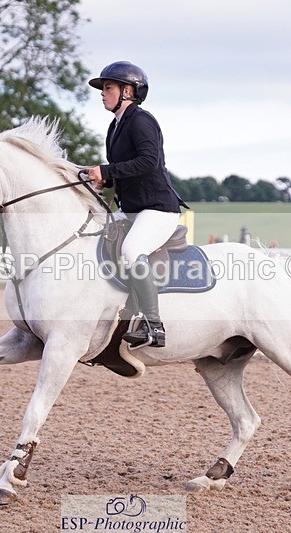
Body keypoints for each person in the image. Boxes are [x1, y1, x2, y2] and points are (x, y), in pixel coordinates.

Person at [87, 61, 187, 348]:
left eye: (108, 88)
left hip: (156, 208)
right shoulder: (114, 127)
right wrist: (103, 179)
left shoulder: (142, 120)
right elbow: (123, 168)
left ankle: (153, 325)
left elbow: (148, 161)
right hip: (131, 207)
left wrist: (107, 171)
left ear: (127, 91)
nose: (102, 94)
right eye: (103, 89)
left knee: (132, 251)